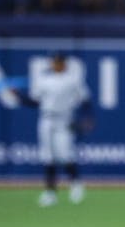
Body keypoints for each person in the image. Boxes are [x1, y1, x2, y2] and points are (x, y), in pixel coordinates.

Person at [18, 53, 92, 206]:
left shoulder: (73, 80)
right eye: (54, 62)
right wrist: (19, 97)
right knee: (48, 156)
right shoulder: (43, 79)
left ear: (64, 64)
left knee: (65, 155)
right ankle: (50, 193)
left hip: (64, 119)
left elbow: (85, 100)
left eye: (59, 62)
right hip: (47, 119)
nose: (56, 64)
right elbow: (35, 101)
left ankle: (76, 185)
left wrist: (88, 118)